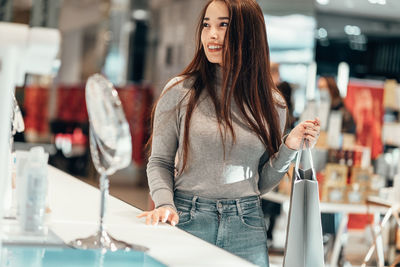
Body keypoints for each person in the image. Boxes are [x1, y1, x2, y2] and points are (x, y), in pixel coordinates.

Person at [138, 1, 321, 266]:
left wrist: (289, 148)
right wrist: (164, 203)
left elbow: (260, 183)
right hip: (187, 217)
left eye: (223, 25)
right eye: (206, 25)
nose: (211, 34)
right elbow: (160, 161)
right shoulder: (180, 91)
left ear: (248, 33)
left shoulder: (272, 103)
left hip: (246, 225)